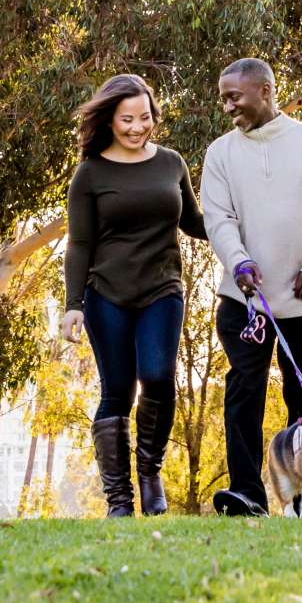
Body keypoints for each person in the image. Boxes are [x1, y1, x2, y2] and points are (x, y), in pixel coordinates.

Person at [200, 57, 302, 516]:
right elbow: (219, 219)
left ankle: (301, 503)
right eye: (223, 98)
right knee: (243, 393)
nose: (228, 106)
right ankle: (247, 494)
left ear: (265, 90)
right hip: (244, 303)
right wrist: (239, 261)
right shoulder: (220, 154)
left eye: (235, 96)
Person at [59, 72, 207, 516]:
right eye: (127, 119)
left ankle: (149, 472)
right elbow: (79, 244)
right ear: (109, 121)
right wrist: (73, 306)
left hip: (162, 289)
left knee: (159, 376)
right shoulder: (90, 173)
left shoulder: (171, 163)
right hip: (107, 294)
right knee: (118, 391)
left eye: (145, 117)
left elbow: (194, 222)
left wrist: (237, 229)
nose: (137, 127)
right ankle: (119, 501)